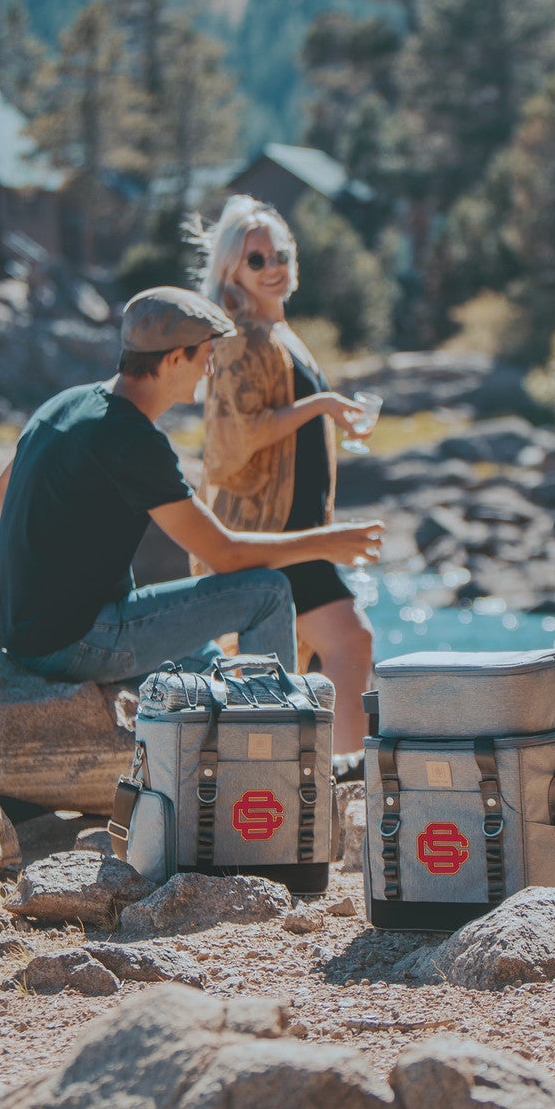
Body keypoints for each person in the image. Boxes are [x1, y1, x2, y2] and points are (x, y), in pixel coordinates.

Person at [0, 284, 383, 684]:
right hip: (76, 642)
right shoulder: (133, 440)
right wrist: (325, 544)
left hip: (19, 633)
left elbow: (1, 492)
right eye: (207, 358)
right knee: (268, 593)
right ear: (175, 359)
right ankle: (270, 738)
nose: (210, 371)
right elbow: (225, 556)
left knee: (211, 665)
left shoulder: (67, 403)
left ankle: (235, 728)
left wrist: (51, 575)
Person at [194, 196, 376, 753]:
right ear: (231, 270)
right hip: (271, 533)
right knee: (349, 640)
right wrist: (320, 404)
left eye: (281, 253)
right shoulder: (243, 338)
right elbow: (231, 441)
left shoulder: (281, 333)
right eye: (257, 259)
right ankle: (347, 778)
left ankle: (291, 783)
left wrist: (326, 415)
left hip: (299, 526)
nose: (273, 266)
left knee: (278, 672)